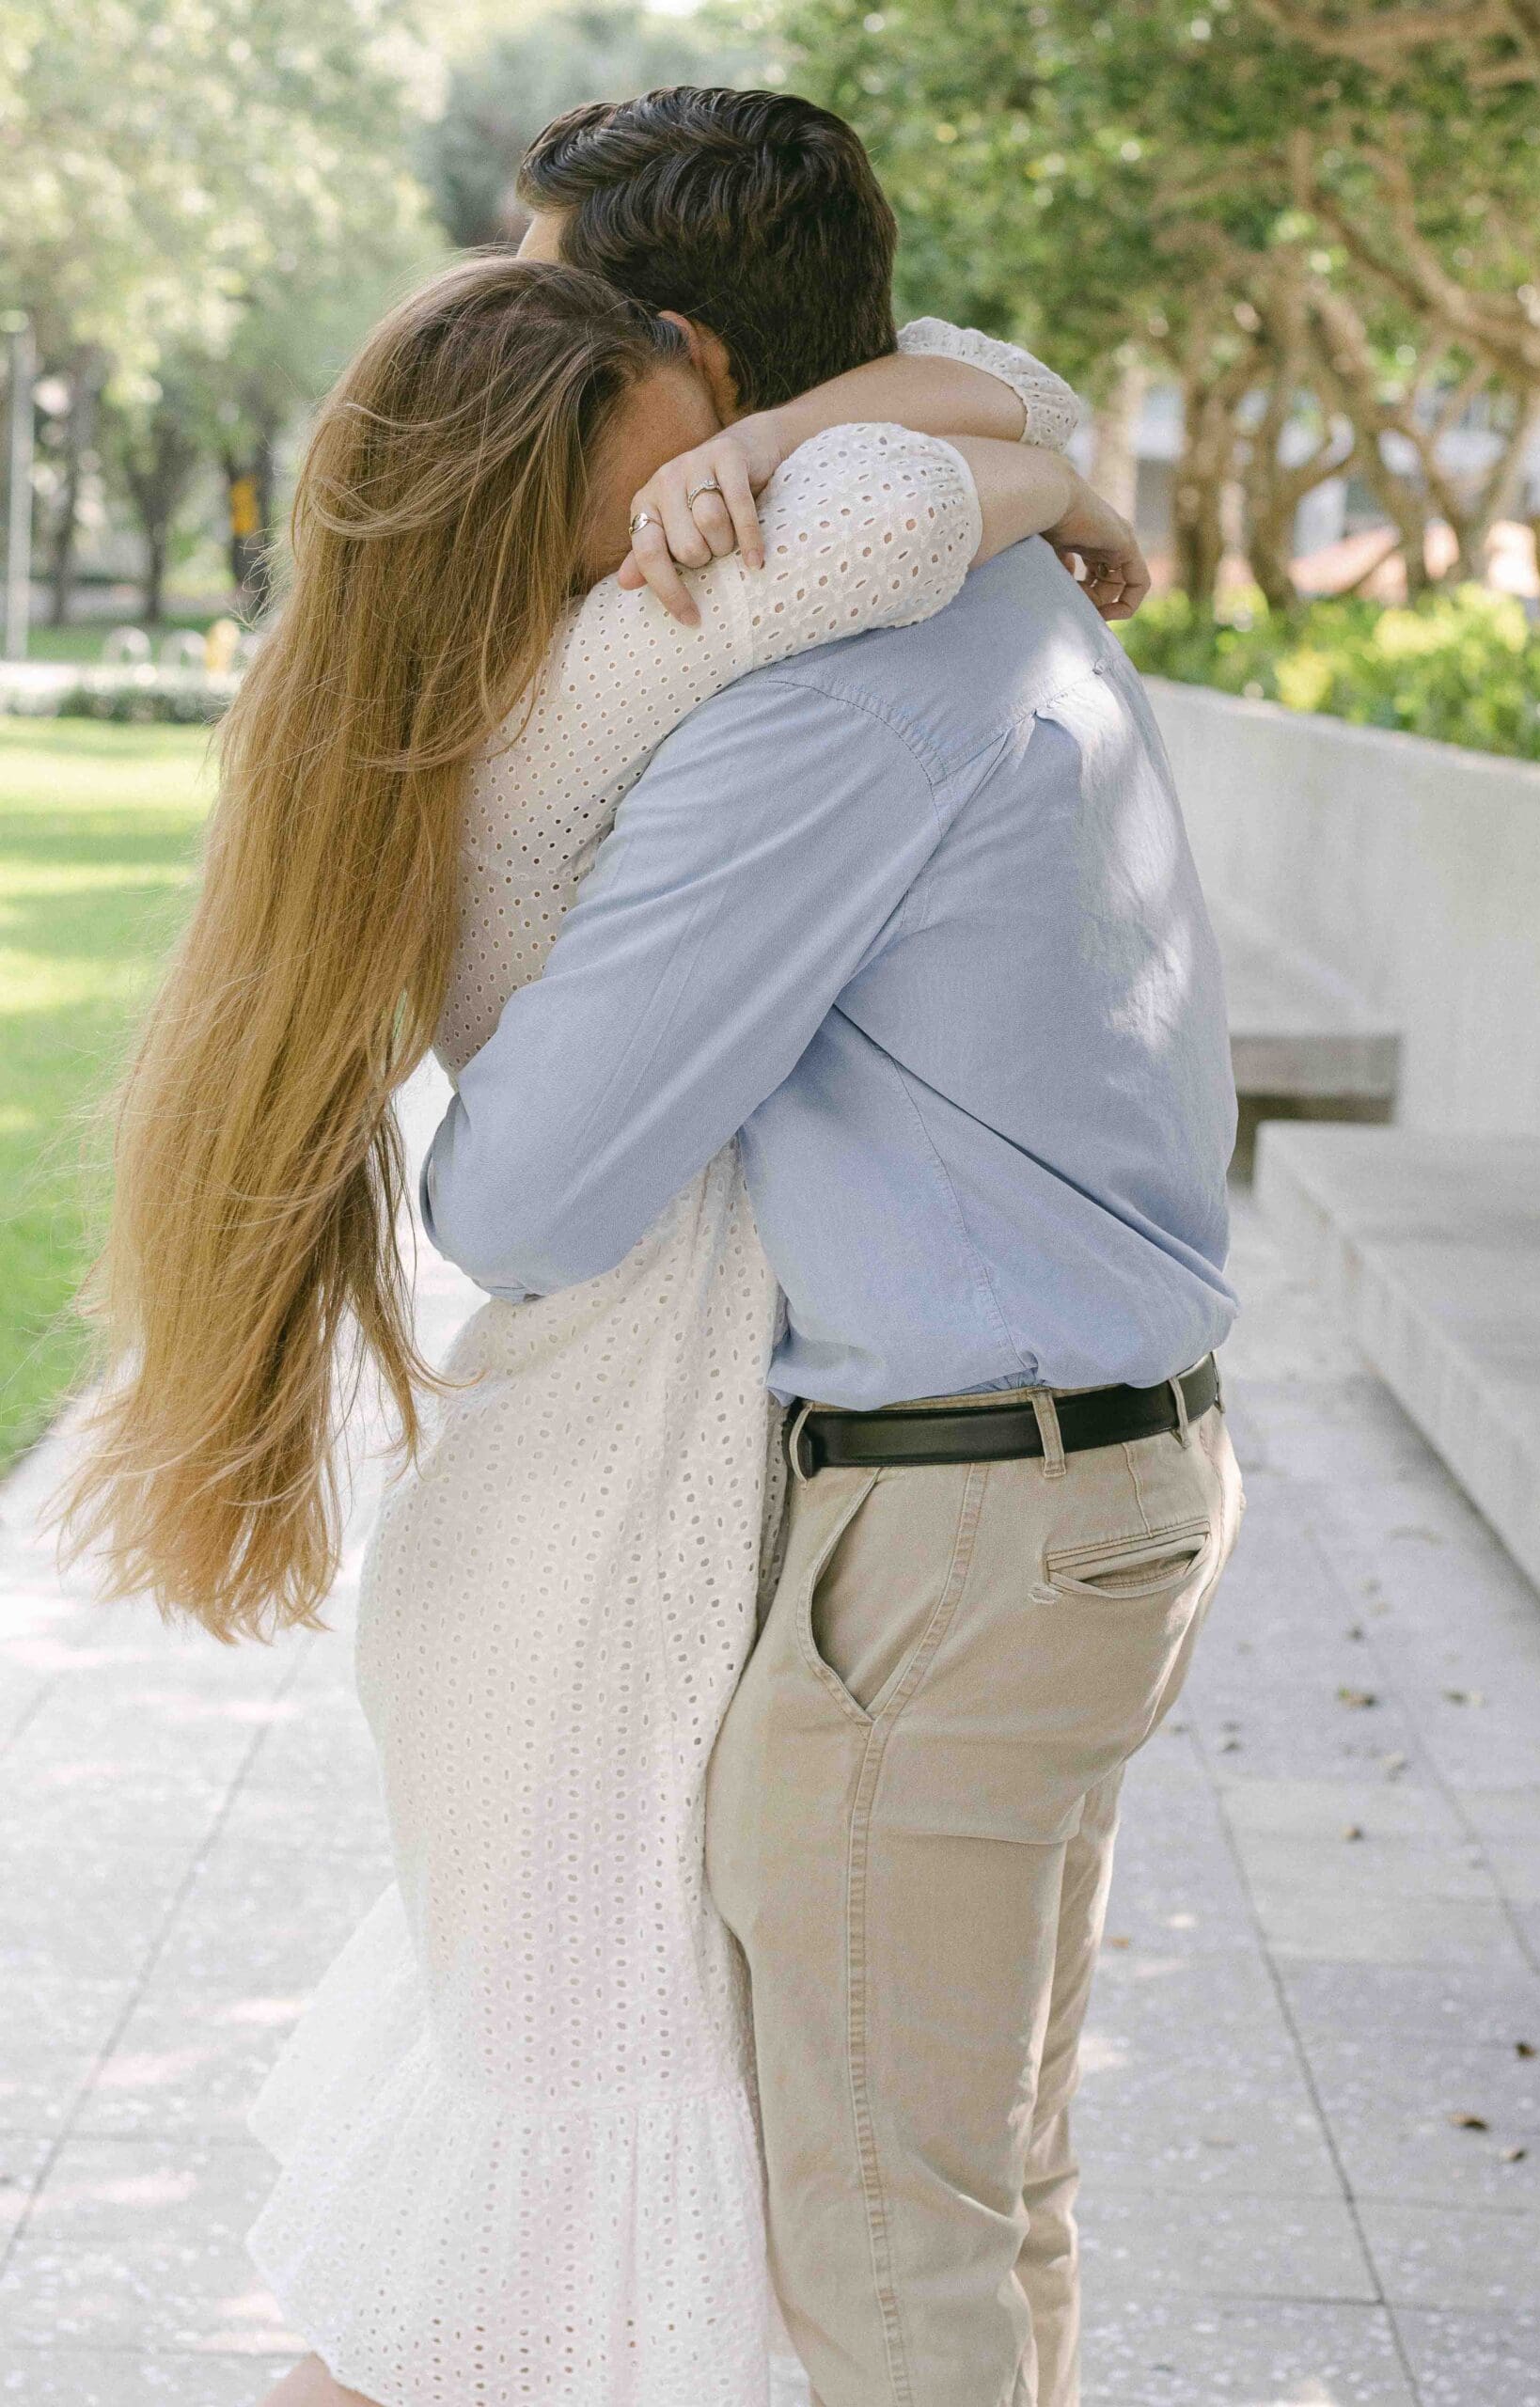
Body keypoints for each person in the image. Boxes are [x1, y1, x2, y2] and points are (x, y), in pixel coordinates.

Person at [55, 87, 1152, 2407]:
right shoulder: (659, 644)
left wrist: (989, 449)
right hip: (600, 1573)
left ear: (678, 359)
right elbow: (943, 450)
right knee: (651, 2253)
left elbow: (931, 417)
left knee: (596, 2256)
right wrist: (1051, 472)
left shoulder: (492, 668)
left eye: (560, 290)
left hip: (602, 1531)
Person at [423, 87, 1244, 2407]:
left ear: (678, 353)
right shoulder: (961, 555)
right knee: (973, 2208)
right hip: (1080, 1489)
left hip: (963, 1537)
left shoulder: (815, 685)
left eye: (551, 309)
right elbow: (1005, 391)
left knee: (887, 2270)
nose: (518, 354)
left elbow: (533, 1200)